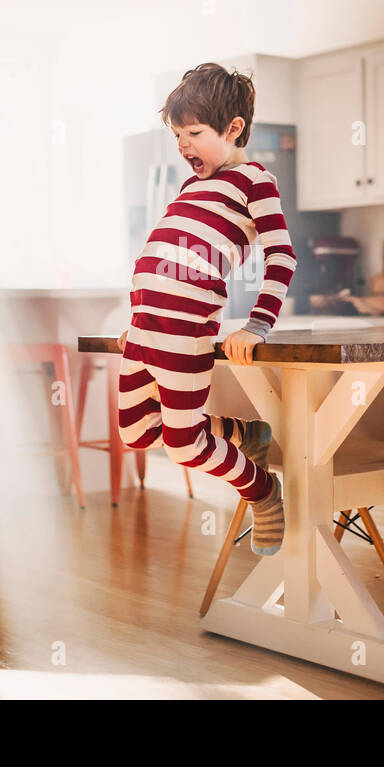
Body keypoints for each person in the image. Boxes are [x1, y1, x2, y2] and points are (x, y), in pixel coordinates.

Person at [116, 63, 297, 555]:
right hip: (144, 326)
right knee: (136, 431)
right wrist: (134, 319)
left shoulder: (254, 180)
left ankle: (261, 490)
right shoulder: (190, 189)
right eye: (178, 135)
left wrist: (258, 325)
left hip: (186, 328)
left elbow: (282, 255)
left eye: (194, 132)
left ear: (233, 129)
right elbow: (163, 255)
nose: (183, 145)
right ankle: (245, 434)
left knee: (182, 443)